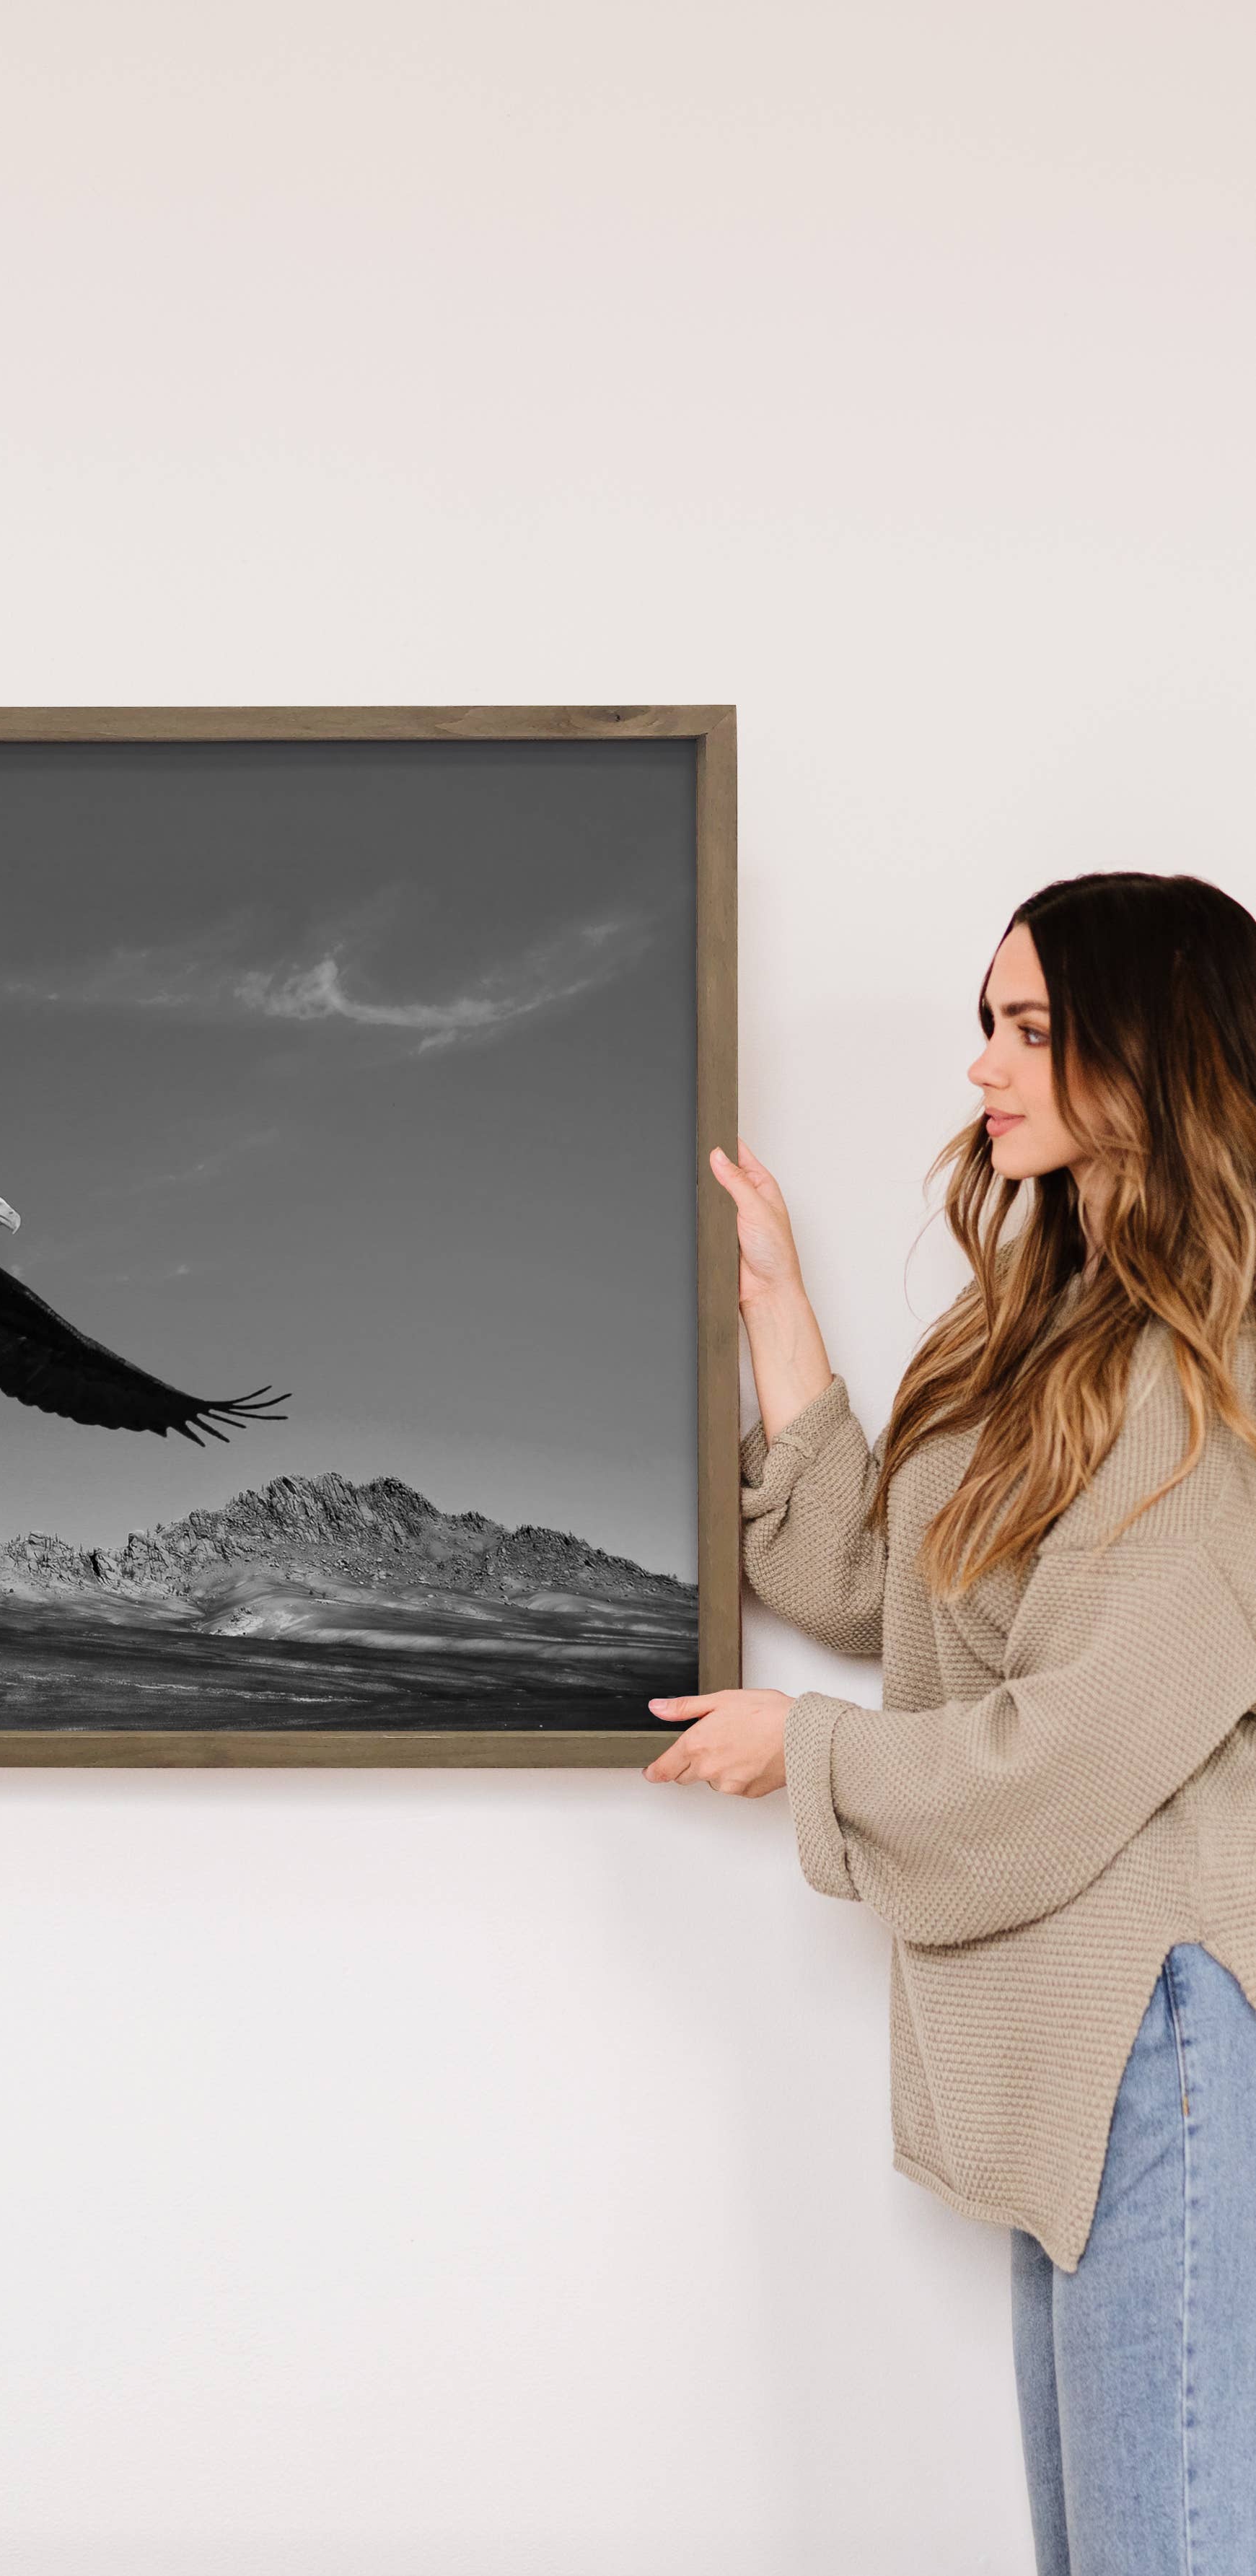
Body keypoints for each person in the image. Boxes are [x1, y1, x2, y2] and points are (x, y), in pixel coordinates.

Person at [646, 873, 1256, 2573]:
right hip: (1077, 2050)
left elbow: (1076, 1747)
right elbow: (881, 1586)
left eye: (1035, 1031)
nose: (987, 1069)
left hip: (1168, 2043)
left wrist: (807, 1754)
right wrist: (775, 1303)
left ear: (1156, 1053)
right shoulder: (1045, 1328)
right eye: (987, 1027)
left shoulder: (1220, 1371)